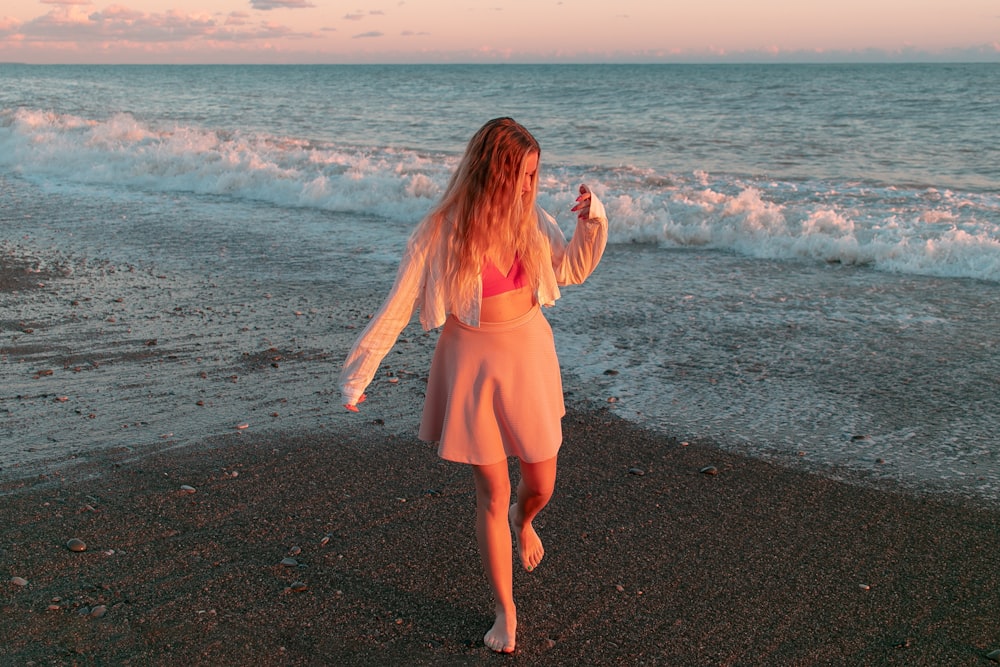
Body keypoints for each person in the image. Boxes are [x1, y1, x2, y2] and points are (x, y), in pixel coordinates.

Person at [338, 117, 608, 654]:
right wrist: (357, 375)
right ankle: (504, 613)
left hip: (528, 353)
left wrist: (592, 220)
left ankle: (523, 521)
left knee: (540, 484)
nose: (530, 186)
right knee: (492, 490)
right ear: (493, 171)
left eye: (535, 175)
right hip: (470, 361)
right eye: (522, 175)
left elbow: (572, 270)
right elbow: (397, 307)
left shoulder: (533, 220)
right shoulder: (439, 230)